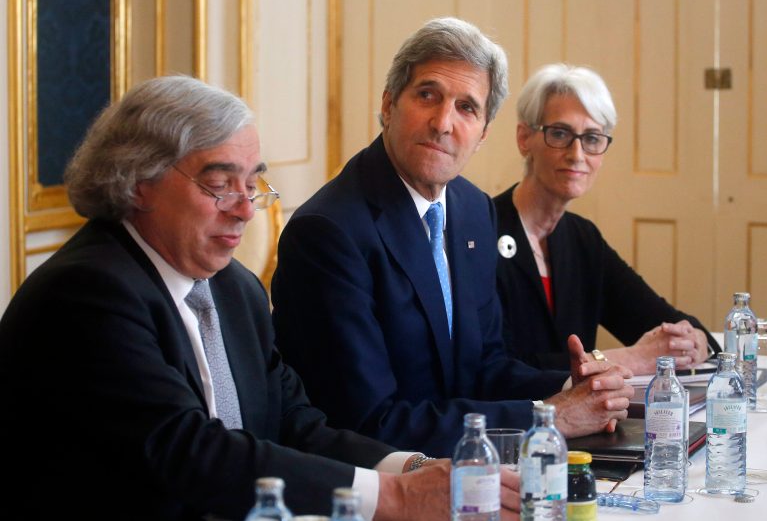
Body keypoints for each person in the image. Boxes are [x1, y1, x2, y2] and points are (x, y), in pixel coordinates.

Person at [0, 75, 523, 521]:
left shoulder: (236, 289)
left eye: (253, 185)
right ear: (139, 182)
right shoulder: (87, 294)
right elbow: (192, 454)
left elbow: (297, 425)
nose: (245, 211)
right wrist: (393, 497)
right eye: (220, 184)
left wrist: (412, 467)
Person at [271, 17, 634, 459]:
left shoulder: (471, 208)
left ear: (482, 134)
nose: (443, 122)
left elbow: (484, 366)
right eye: (428, 95)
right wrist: (550, 417)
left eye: (467, 107)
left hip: (465, 463)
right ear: (388, 105)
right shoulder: (328, 233)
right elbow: (369, 421)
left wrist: (571, 386)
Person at [494, 63, 719, 375]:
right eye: (560, 134)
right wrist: (632, 359)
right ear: (524, 139)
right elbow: (499, 371)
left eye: (592, 138)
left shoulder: (583, 239)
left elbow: (662, 320)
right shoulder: (481, 232)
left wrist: (695, 341)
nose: (577, 154)